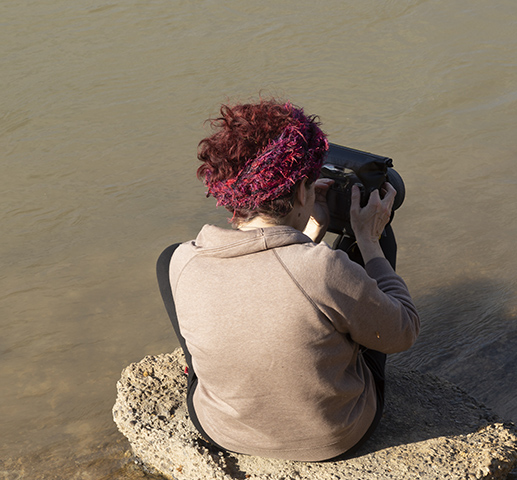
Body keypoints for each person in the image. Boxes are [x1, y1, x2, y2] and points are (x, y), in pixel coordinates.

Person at [164, 99, 420, 461]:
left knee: (165, 262)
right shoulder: (324, 270)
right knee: (360, 287)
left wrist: (307, 236)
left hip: (220, 427)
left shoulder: (183, 260)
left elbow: (269, 279)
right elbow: (404, 332)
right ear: (303, 191)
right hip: (332, 439)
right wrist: (369, 242)